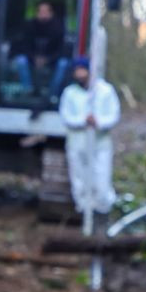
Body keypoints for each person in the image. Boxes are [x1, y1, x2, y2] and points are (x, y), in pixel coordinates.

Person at [58, 58, 121, 218]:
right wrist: (82, 121)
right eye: (77, 70)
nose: (80, 74)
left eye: (83, 70)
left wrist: (98, 122)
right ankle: (83, 210)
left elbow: (113, 115)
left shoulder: (105, 91)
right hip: (77, 144)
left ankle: (102, 211)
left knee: (101, 179)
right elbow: (65, 116)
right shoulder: (70, 93)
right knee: (79, 179)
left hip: (100, 144)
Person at [10, 0, 70, 100]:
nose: (43, 14)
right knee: (20, 61)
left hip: (52, 60)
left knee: (63, 63)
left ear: (51, 13)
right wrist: (34, 58)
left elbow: (61, 49)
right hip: (32, 59)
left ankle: (52, 93)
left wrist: (48, 59)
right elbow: (25, 46)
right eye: (40, 12)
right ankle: (28, 90)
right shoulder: (30, 26)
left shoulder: (58, 27)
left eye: (45, 12)